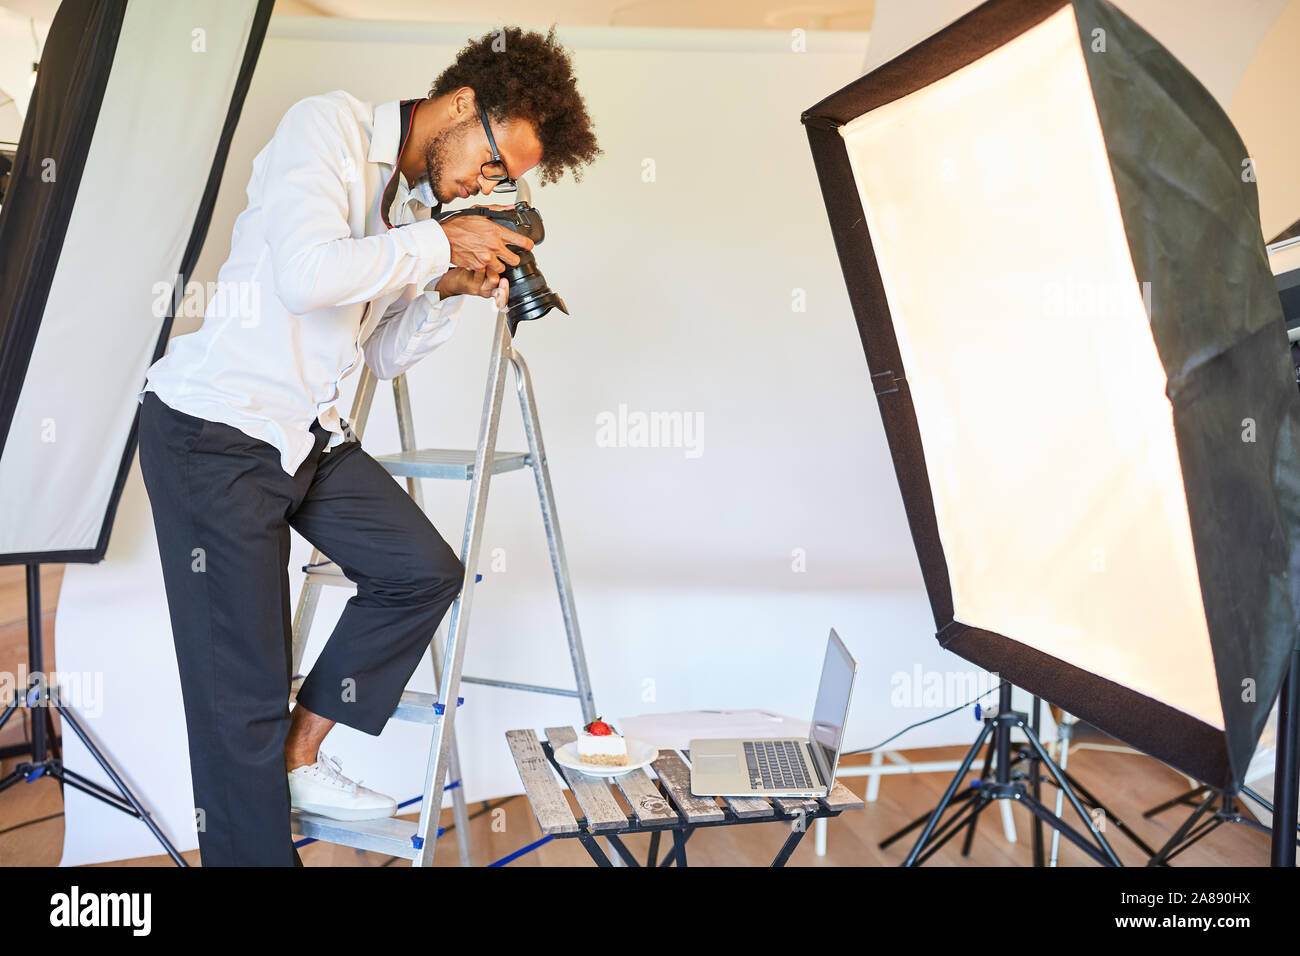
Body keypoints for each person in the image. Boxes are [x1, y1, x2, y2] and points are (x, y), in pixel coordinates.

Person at [135, 25, 600, 866]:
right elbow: (306, 275)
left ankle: (299, 752)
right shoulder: (327, 129)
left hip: (303, 436)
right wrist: (437, 246)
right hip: (216, 430)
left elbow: (379, 354)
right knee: (238, 703)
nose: (486, 187)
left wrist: (447, 289)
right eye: (493, 166)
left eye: (507, 182)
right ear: (460, 106)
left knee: (423, 571)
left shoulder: (414, 210)